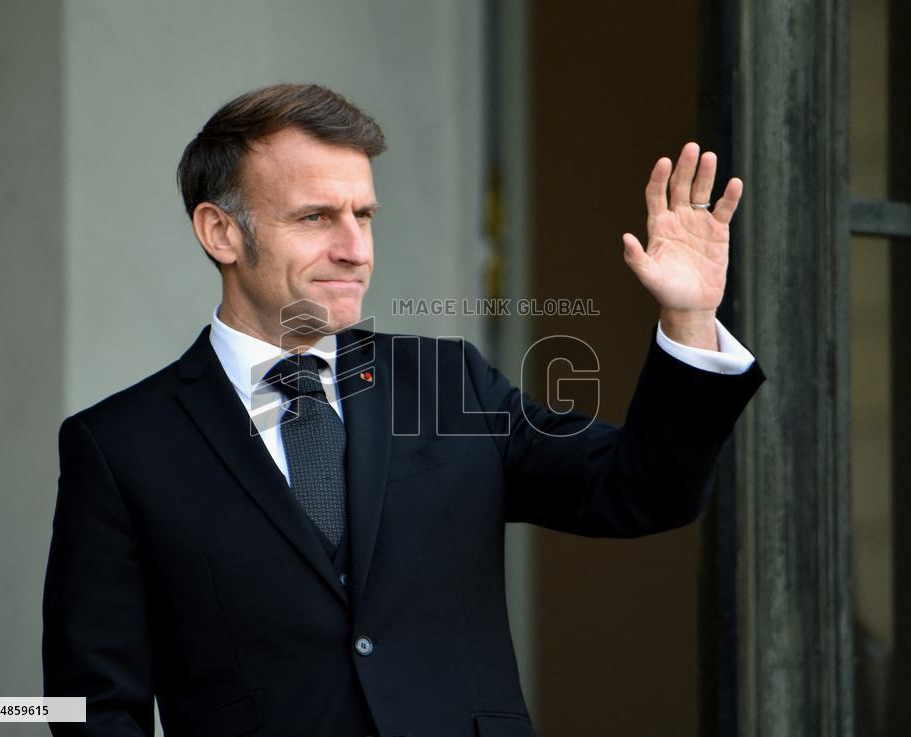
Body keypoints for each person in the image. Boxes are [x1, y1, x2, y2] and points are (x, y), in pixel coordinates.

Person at [42, 83, 764, 737]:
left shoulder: (449, 384)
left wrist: (690, 320)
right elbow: (91, 703)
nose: (355, 248)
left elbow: (641, 490)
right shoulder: (120, 447)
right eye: (316, 216)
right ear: (221, 232)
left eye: (364, 215)